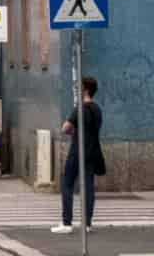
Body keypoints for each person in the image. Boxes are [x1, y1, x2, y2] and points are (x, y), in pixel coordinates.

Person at [52, 77, 105, 235]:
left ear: (86, 90)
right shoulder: (97, 110)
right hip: (92, 152)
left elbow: (65, 128)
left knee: (67, 183)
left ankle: (67, 223)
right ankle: (87, 224)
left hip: (77, 150)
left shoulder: (80, 108)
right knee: (88, 187)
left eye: (79, 87)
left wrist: (74, 132)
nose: (76, 89)